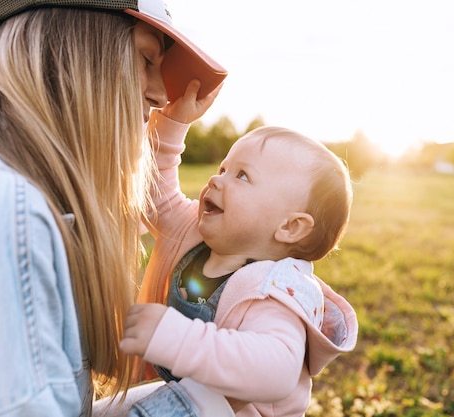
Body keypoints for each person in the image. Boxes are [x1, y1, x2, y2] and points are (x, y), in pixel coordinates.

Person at [0, 0, 225, 415]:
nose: (161, 93)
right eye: (146, 59)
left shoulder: (33, 196)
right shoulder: (7, 209)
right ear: (66, 46)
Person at [119, 121, 359, 416]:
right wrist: (174, 121)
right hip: (185, 398)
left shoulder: (274, 292)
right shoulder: (194, 232)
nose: (216, 180)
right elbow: (154, 189)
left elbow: (277, 372)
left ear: (290, 226)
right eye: (223, 169)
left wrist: (179, 338)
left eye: (242, 176)